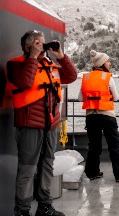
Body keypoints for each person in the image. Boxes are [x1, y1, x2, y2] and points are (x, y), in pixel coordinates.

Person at [7, 30, 77, 216]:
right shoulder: (15, 65)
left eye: (43, 43)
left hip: (51, 125)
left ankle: (44, 206)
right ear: (28, 46)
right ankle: (22, 211)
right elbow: (25, 83)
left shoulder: (50, 65)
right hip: (29, 125)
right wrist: (32, 57)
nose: (43, 46)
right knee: (28, 170)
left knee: (47, 166)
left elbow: (70, 77)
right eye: (38, 43)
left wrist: (61, 57)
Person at [78, 50, 119, 183]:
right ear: (102, 64)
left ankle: (92, 173)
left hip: (91, 116)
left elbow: (79, 99)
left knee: (94, 145)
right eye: (108, 61)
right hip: (107, 116)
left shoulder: (86, 77)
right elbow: (116, 98)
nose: (109, 63)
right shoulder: (108, 77)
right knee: (114, 145)